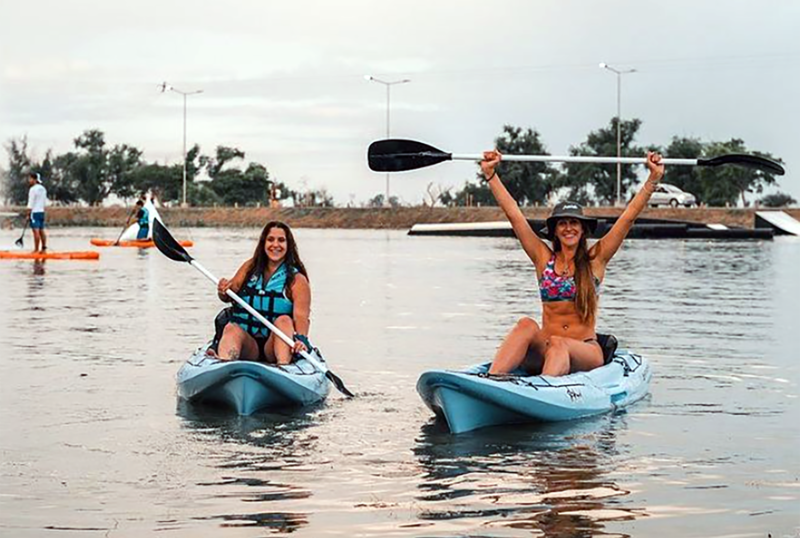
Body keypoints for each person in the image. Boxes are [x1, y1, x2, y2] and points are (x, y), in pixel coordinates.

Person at [480, 149, 665, 376]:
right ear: (555, 231)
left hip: (585, 350)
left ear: (583, 228)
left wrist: (653, 179)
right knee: (526, 325)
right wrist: (491, 175)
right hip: (547, 349)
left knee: (560, 343)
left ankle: (543, 393)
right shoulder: (543, 258)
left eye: (574, 223)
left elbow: (628, 218)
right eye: (562, 223)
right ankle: (492, 380)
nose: (568, 228)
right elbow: (514, 216)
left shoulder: (596, 259)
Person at [210, 221, 311, 364]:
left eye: (281, 240)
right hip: (249, 345)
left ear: (288, 246)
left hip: (274, 347)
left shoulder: (297, 280)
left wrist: (301, 340)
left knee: (284, 320)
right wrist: (223, 290)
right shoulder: (249, 267)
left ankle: (283, 369)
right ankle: (225, 366)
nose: (275, 245)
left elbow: (301, 317)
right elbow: (228, 294)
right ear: (263, 244)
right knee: (231, 328)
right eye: (270, 240)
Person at [26, 172, 48, 253]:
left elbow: (30, 203)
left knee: (36, 231)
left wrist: (28, 214)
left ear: (35, 179)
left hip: (34, 213)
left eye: (30, 178)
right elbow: (44, 202)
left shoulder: (32, 189)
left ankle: (36, 250)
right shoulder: (43, 189)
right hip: (41, 212)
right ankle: (43, 248)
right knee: (41, 230)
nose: (29, 180)